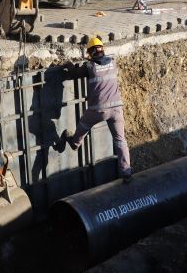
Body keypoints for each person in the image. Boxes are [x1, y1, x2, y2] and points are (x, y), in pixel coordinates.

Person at [56, 37, 132, 183]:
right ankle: (126, 172)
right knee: (120, 140)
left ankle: (75, 143)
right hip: (116, 109)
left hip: (98, 110)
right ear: (102, 49)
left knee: (84, 123)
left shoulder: (90, 66)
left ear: (90, 53)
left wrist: (69, 64)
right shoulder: (113, 62)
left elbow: (74, 74)